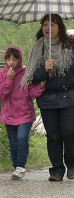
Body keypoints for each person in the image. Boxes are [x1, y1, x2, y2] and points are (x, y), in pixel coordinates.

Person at [20, 14, 74, 182]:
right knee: (53, 135)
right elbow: (31, 77)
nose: (47, 28)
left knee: (70, 131)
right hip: (48, 97)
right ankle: (56, 169)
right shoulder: (38, 48)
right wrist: (44, 69)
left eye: (52, 24)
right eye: (44, 24)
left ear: (60, 27)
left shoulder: (72, 44)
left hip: (72, 95)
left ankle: (71, 163)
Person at [0, 46, 45, 179]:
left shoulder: (27, 73)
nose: (11, 62)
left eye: (15, 59)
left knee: (21, 138)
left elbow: (31, 92)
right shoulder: (2, 73)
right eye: (8, 59)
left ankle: (20, 166)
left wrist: (41, 86)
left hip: (25, 113)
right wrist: (9, 79)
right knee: (13, 142)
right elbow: (2, 93)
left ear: (20, 59)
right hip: (9, 114)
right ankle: (16, 167)